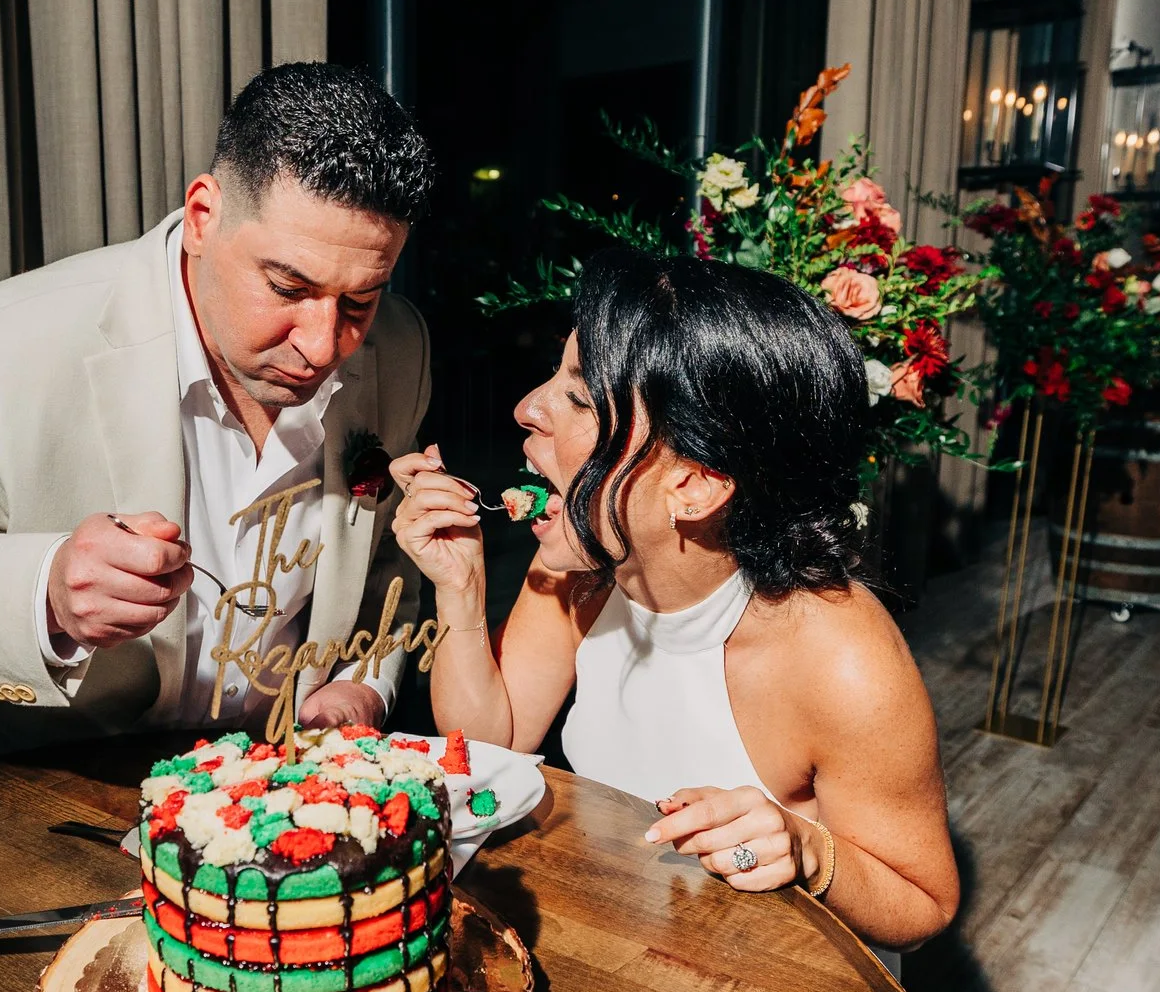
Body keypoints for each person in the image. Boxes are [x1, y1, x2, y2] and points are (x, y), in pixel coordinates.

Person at [0, 63, 436, 762]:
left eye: (358, 300)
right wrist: (49, 592)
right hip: (51, 802)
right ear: (202, 216)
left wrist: (362, 681)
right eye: (287, 285)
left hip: (280, 802)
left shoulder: (399, 349)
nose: (323, 346)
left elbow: (387, 571)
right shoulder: (6, 344)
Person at [390, 247, 959, 954]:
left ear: (693, 485)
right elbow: (492, 743)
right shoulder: (583, 562)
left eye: (577, 397)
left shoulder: (841, 658)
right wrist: (461, 591)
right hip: (628, 945)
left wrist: (810, 852)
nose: (526, 408)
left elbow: (925, 902)